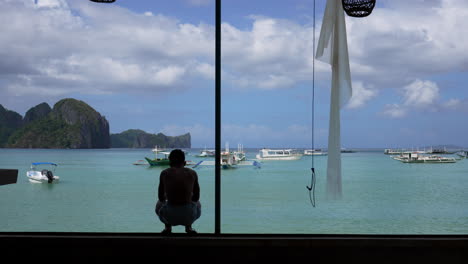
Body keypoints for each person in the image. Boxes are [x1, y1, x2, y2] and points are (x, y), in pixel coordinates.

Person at [155, 149, 201, 234]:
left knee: (159, 202)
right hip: (189, 215)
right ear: (185, 162)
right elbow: (196, 197)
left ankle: (167, 228)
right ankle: (189, 227)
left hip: (169, 216)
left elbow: (160, 197)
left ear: (170, 163)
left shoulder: (164, 173)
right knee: (198, 202)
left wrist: (168, 196)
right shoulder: (192, 173)